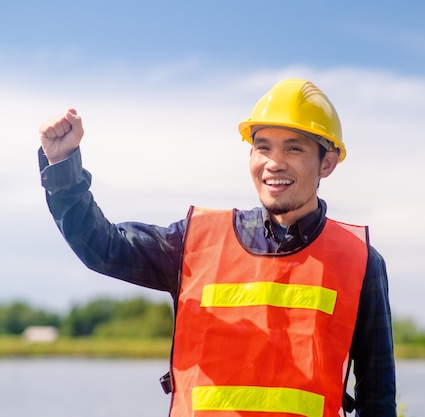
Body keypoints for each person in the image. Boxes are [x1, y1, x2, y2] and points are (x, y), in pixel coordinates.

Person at [38, 78, 396, 417]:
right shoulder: (195, 242)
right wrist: (62, 165)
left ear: (327, 163)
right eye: (263, 147)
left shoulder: (360, 261)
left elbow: (377, 397)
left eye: (294, 148)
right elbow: (103, 247)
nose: (274, 162)